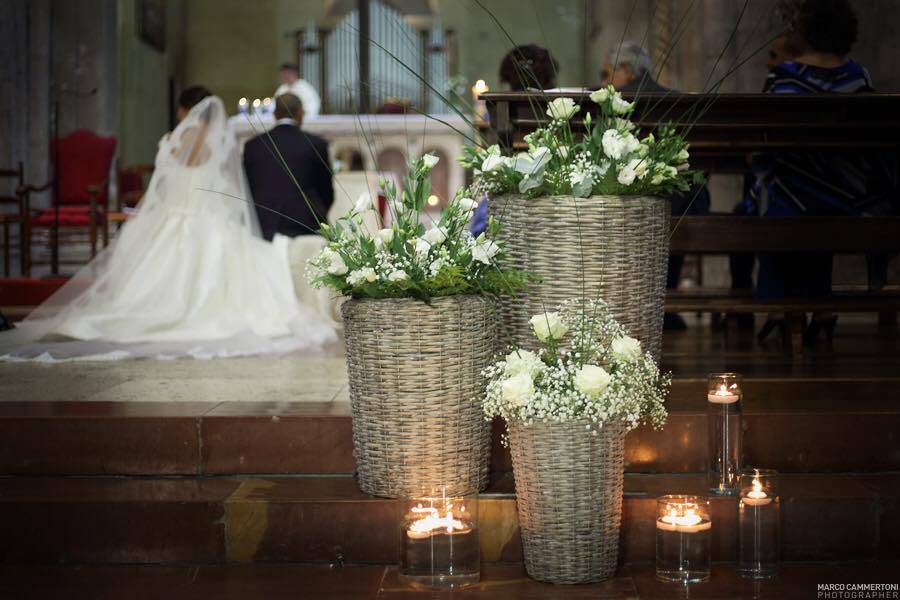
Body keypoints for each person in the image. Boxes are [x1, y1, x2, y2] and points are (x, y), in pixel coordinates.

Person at [0, 89, 335, 361]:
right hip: (208, 222)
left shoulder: (175, 141)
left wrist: (143, 216)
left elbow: (160, 189)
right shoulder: (220, 146)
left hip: (169, 221)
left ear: (183, 111)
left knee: (146, 283)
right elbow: (230, 191)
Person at [750, 0, 876, 343]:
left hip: (791, 199)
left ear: (805, 32)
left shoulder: (784, 79)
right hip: (850, 200)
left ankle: (779, 309)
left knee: (769, 192)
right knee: (812, 196)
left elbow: (762, 144)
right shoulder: (859, 78)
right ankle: (823, 309)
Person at [602, 42, 710, 330]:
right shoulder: (676, 100)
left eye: (607, 72)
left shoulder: (614, 102)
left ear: (625, 70)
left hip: (636, 203)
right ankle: (667, 305)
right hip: (689, 202)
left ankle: (636, 307)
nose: (605, 81)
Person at [471, 45, 558, 236]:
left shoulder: (499, 106)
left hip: (512, 187)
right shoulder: (561, 105)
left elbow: (494, 149)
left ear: (508, 77)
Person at [243, 93, 334, 241]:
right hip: (306, 224)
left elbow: (248, 188)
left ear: (274, 115)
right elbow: (326, 192)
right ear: (300, 113)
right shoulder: (316, 144)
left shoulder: (253, 146)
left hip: (264, 225)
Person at [600, 41, 666, 93]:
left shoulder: (618, 100)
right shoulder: (673, 97)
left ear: (626, 70)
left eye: (605, 75)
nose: (603, 83)